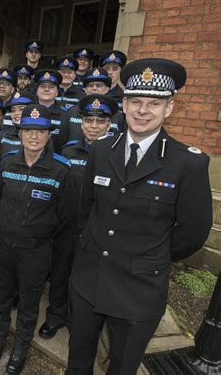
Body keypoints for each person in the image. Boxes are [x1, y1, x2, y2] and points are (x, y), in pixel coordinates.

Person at [67, 58, 213, 374]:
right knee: (78, 362)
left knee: (122, 367)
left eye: (154, 103)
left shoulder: (188, 164)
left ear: (169, 108)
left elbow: (192, 234)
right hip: (88, 279)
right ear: (124, 104)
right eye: (135, 101)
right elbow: (86, 208)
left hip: (138, 290)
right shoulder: (102, 151)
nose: (143, 110)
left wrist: (149, 256)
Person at [0, 104, 75, 374]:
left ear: (49, 135)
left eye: (40, 131)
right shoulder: (7, 161)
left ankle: (21, 345)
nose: (33, 137)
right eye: (28, 131)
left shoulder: (62, 170)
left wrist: (39, 233)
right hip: (2, 244)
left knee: (28, 301)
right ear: (20, 133)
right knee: (1, 294)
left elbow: (66, 217)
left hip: (35, 250)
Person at [38, 94, 118, 340]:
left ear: (108, 125)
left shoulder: (116, 155)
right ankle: (56, 315)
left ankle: (78, 320)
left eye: (100, 121)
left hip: (97, 230)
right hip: (67, 226)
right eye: (89, 120)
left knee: (85, 279)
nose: (94, 126)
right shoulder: (68, 150)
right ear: (81, 123)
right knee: (60, 272)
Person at [64, 67, 125, 141]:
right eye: (90, 85)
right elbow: (63, 140)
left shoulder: (116, 116)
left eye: (99, 85)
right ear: (85, 89)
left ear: (107, 89)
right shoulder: (72, 112)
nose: (94, 88)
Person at [0, 91, 37, 161]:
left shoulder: (40, 136)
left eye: (21, 109)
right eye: (13, 110)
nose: (16, 113)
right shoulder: (3, 135)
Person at [34, 69, 70, 153]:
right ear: (37, 91)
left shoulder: (65, 115)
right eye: (42, 86)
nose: (46, 89)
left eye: (51, 87)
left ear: (57, 92)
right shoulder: (27, 112)